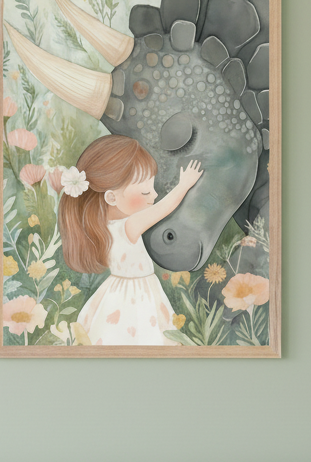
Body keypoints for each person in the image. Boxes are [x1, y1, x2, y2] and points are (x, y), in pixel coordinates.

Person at [57, 135, 202, 345]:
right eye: (146, 191)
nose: (154, 195)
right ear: (111, 197)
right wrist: (184, 185)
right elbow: (162, 208)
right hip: (139, 294)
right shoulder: (129, 225)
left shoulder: (103, 226)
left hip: (115, 291)